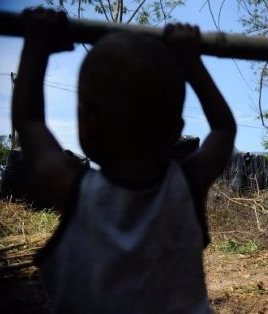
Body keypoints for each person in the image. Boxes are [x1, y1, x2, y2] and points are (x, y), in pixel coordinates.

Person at [12, 8, 236, 313]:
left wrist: (35, 46)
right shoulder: (188, 184)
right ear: (176, 130)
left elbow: (29, 121)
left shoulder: (72, 189)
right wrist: (191, 60)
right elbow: (224, 129)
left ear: (87, 122)